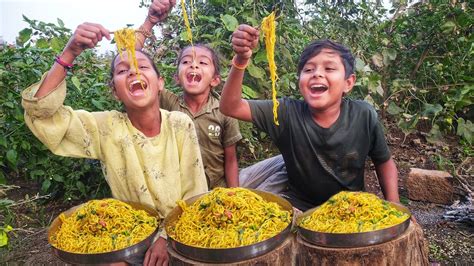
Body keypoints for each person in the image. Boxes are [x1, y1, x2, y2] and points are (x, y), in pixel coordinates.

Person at [21, 22, 208, 265]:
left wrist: (165, 237)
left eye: (142, 67)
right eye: (122, 71)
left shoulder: (180, 124)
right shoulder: (106, 128)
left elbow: (195, 191)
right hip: (133, 235)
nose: (133, 72)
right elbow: (41, 113)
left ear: (160, 82)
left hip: (183, 229)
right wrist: (69, 52)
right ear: (114, 92)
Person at [220, 24, 400, 211]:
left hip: (351, 208)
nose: (317, 74)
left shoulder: (363, 115)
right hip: (299, 208)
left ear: (348, 82)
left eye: (329, 68)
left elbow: (384, 161)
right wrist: (241, 60)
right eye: (308, 70)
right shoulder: (285, 112)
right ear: (300, 81)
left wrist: (394, 205)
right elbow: (230, 106)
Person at [136, 1, 242, 189]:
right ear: (177, 78)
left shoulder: (224, 110)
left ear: (215, 80)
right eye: (186, 61)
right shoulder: (168, 102)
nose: (193, 65)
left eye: (202, 63)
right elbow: (130, 63)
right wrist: (149, 22)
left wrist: (234, 195)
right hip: (179, 191)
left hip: (216, 190)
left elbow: (231, 159)